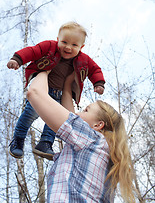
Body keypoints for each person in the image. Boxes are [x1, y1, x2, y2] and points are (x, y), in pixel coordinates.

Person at [26, 70, 136, 203]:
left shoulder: (91, 139)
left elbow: (35, 93)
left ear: (98, 125)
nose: (78, 113)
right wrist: (67, 84)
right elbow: (69, 114)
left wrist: (44, 69)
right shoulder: (103, 150)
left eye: (86, 110)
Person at [7, 21, 105, 160]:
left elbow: (95, 69)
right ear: (58, 39)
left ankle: (45, 143)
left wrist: (98, 83)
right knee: (29, 114)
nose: (68, 47)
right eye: (64, 42)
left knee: (54, 121)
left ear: (81, 47)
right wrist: (18, 59)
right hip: (43, 89)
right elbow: (33, 51)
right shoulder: (49, 46)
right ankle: (18, 139)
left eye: (74, 45)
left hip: (59, 95)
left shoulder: (84, 59)